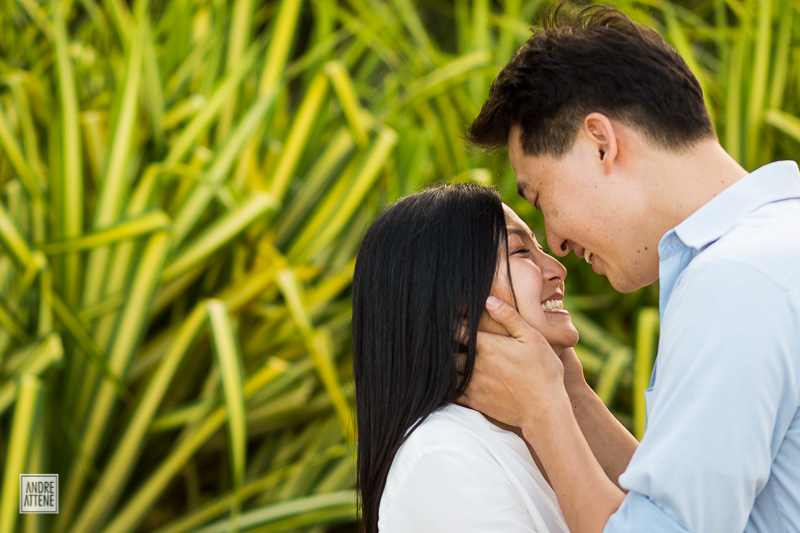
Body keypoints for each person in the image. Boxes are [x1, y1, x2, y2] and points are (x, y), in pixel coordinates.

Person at [461, 4, 800, 533]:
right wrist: (569, 392)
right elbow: (695, 507)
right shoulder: (773, 250)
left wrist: (543, 411)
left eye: (540, 195)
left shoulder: (737, 281)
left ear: (601, 143)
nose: (556, 243)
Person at [353, 183, 598, 532]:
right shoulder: (442, 458)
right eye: (521, 252)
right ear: (455, 306)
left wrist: (566, 396)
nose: (558, 268)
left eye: (539, 247)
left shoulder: (522, 437)